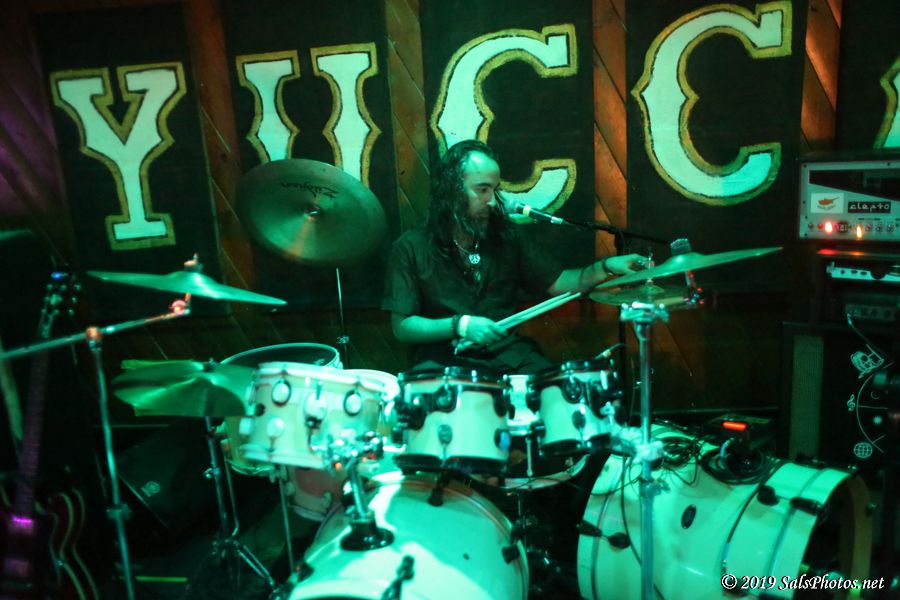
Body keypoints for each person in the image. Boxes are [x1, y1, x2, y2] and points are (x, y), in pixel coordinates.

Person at [382, 139, 646, 374]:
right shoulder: (410, 247)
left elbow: (558, 283)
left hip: (507, 354)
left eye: (494, 190)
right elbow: (402, 326)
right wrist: (460, 325)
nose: (492, 201)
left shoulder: (506, 236)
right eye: (482, 190)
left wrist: (606, 266)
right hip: (444, 360)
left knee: (553, 390)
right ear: (451, 190)